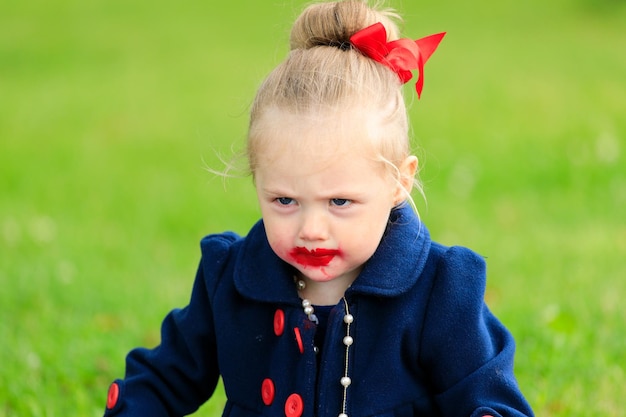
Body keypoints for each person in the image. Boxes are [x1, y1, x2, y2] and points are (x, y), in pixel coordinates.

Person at [102, 1, 534, 416]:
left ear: (399, 182)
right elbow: (161, 380)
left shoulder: (439, 290)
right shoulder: (232, 279)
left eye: (340, 202)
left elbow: (491, 399)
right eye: (284, 200)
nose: (311, 229)